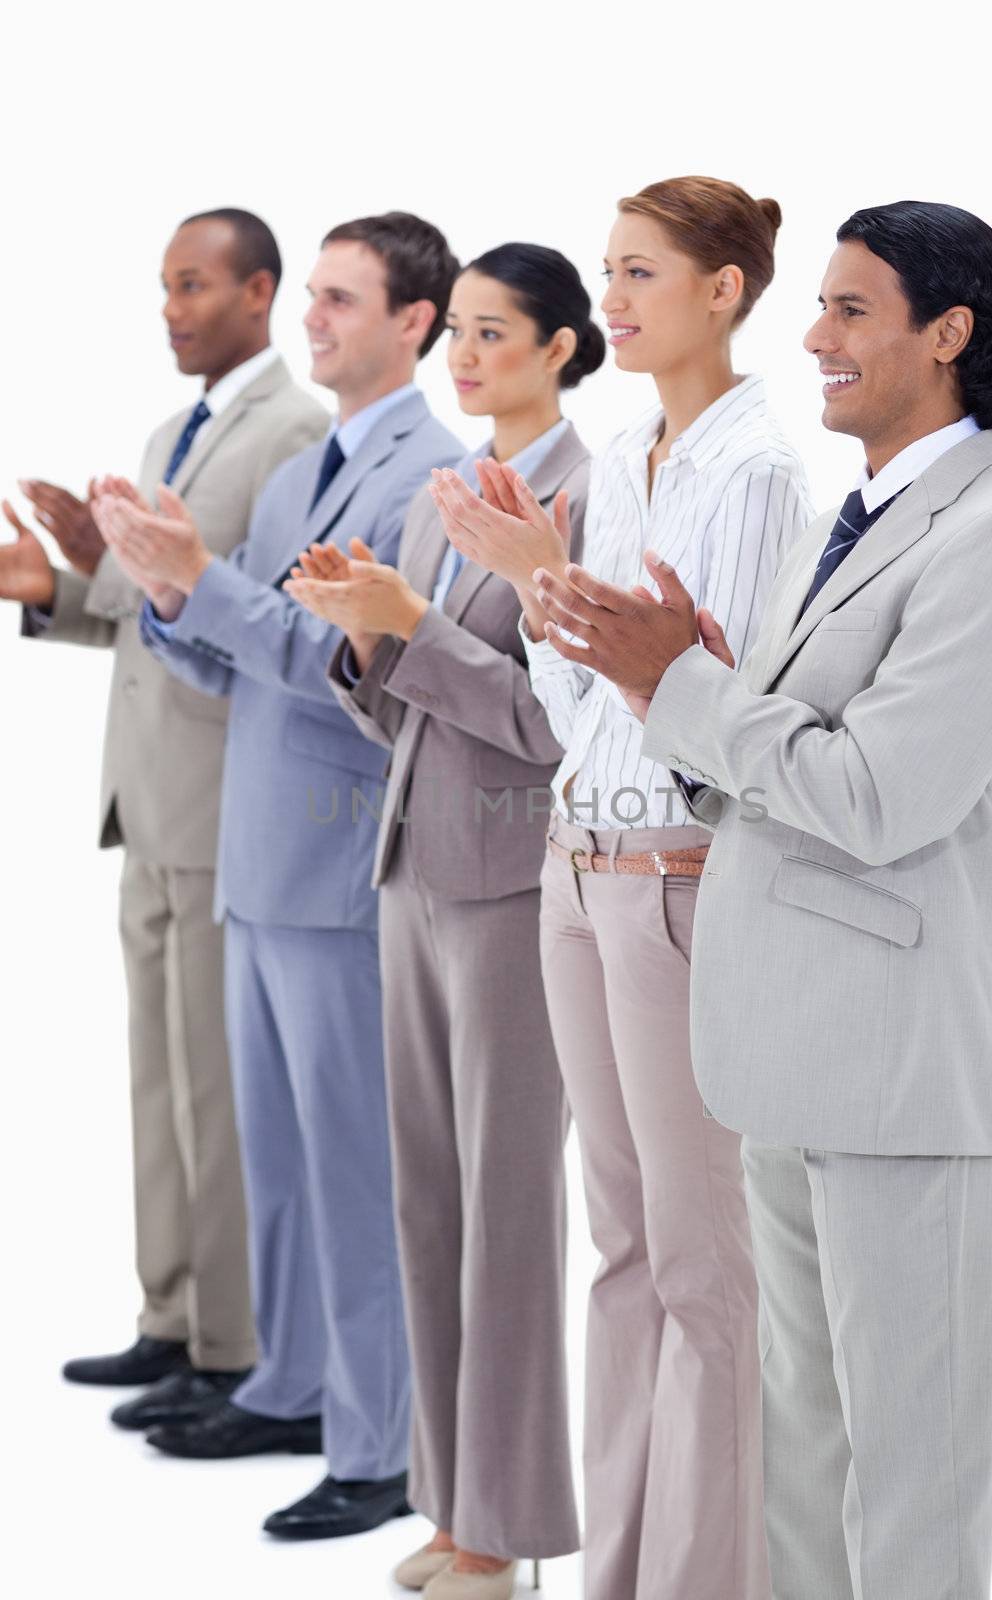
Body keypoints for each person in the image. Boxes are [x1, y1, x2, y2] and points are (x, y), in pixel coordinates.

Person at [530, 200, 992, 1600]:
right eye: (814, 306)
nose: (812, 338)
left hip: (897, 1082)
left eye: (846, 311)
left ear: (944, 336)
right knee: (801, 1469)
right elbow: (755, 772)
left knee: (907, 1487)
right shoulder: (853, 518)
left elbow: (879, 797)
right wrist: (681, 690)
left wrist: (678, 686)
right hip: (783, 1063)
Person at [431, 178, 811, 1600]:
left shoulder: (756, 471)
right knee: (622, 1254)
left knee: (705, 1275)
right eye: (607, 271)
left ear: (722, 291)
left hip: (678, 882)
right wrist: (541, 591)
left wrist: (548, 584)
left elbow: (704, 710)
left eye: (641, 272)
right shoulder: (634, 457)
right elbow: (574, 700)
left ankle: (704, 1581)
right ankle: (618, 1571)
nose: (616, 297)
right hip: (574, 875)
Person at [94, 212, 464, 1542]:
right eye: (310, 296)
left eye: (342, 301)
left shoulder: (432, 478)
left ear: (413, 324)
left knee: (358, 1171)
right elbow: (239, 648)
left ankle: (381, 1446)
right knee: (282, 1166)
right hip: (258, 859)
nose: (314, 321)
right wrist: (168, 588)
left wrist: (216, 593)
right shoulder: (307, 465)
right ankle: (293, 1385)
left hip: (337, 860)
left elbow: (346, 672)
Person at [287, 242, 601, 1600]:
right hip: (412, 875)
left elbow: (551, 724)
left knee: (507, 1206)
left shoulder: (588, 495)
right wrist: (366, 634)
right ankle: (449, 1505)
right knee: (426, 1197)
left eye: (492, 333)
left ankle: (509, 1526)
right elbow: (401, 703)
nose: (463, 357)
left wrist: (414, 624)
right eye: (456, 332)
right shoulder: (439, 493)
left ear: (561, 349)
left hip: (519, 890)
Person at [0, 209, 327, 1421]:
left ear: (258, 292)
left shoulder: (293, 431)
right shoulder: (171, 429)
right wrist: (68, 580)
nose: (171, 308)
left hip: (223, 801)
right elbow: (162, 606)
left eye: (193, 285)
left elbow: (236, 614)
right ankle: (172, 1315)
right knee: (158, 1081)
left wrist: (132, 578)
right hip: (142, 798)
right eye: (163, 286)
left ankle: (234, 1346)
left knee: (216, 1089)